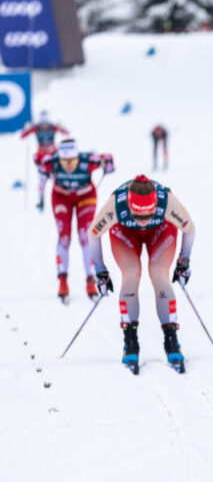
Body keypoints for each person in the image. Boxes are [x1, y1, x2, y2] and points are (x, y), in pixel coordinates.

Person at [87, 174, 195, 368]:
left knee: (158, 272)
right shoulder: (116, 206)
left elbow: (189, 228)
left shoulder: (167, 202)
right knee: (132, 272)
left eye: (148, 215)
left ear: (155, 206)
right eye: (138, 215)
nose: (143, 220)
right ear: (129, 206)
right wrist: (101, 272)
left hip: (161, 229)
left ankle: (171, 339)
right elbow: (93, 234)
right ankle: (130, 340)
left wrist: (183, 263)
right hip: (125, 231)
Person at [37, 139, 114, 301]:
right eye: (64, 161)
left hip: (85, 196)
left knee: (86, 236)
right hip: (61, 196)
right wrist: (40, 195)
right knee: (64, 237)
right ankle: (62, 280)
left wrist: (108, 165)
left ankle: (91, 280)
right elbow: (41, 165)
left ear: (78, 156)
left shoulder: (88, 160)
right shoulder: (52, 161)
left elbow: (107, 158)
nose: (68, 165)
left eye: (72, 160)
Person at [21, 111, 70, 210]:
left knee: (55, 180)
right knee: (42, 181)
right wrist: (26, 128)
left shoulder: (52, 127)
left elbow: (66, 133)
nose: (44, 126)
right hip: (41, 159)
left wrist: (61, 126)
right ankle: (41, 201)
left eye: (46, 123)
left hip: (53, 159)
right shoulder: (36, 127)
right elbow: (23, 136)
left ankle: (61, 199)